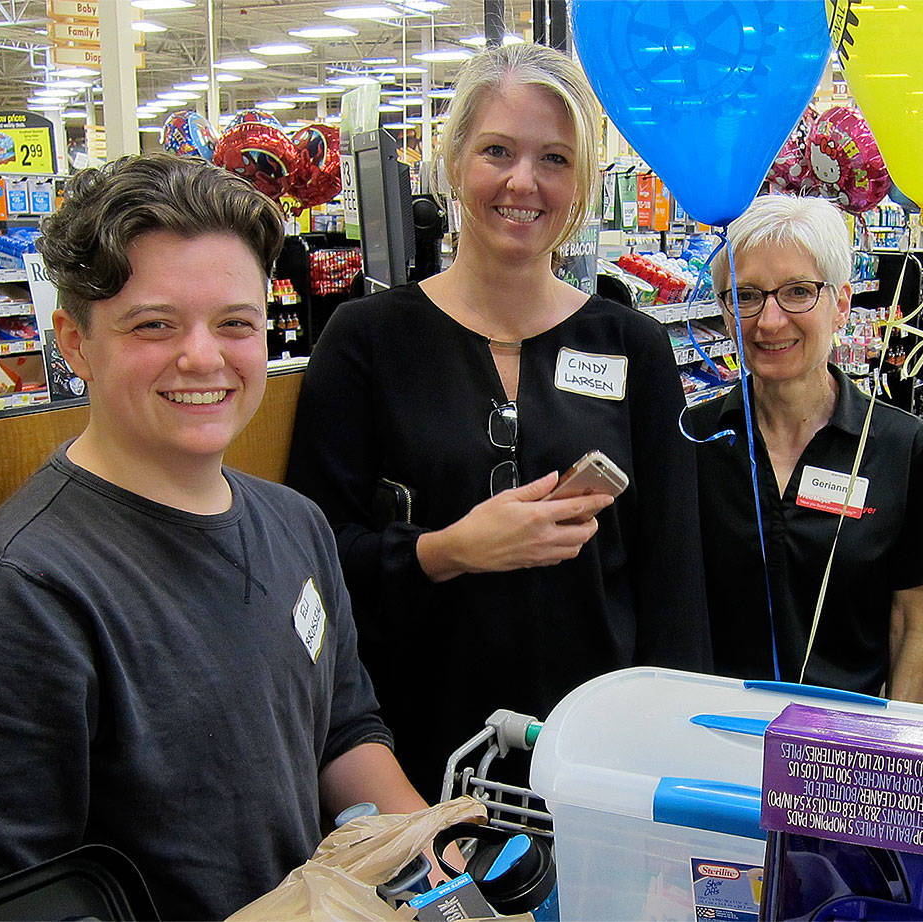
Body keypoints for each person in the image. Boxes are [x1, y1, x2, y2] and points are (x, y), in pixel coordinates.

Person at [0, 153, 428, 921]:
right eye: (155, 324)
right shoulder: (9, 597)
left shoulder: (294, 524)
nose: (204, 357)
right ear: (74, 343)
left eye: (235, 323)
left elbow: (343, 733)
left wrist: (429, 858)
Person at [286, 43, 711, 801]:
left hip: (592, 765)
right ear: (453, 164)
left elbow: (674, 578)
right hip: (411, 759)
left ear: (580, 181)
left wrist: (668, 770)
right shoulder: (365, 341)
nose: (524, 181)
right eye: (497, 151)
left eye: (554, 157)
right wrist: (446, 551)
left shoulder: (632, 346)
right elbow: (314, 564)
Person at [689, 194, 923, 703]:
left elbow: (913, 623)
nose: (770, 321)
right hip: (707, 739)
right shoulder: (690, 439)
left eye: (798, 292)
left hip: (839, 756)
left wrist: (891, 755)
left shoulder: (902, 450)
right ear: (725, 313)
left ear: (841, 304)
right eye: (746, 296)